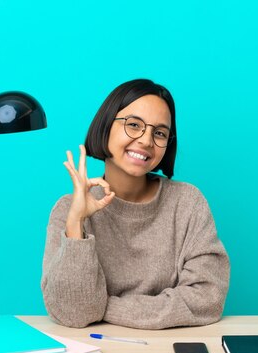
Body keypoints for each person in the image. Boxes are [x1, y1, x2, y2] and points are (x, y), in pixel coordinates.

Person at [41, 79, 230, 329]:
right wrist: (76, 225)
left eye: (159, 133)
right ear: (106, 126)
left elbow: (207, 299)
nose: (146, 141)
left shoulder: (187, 202)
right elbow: (73, 313)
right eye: (133, 125)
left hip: (170, 352)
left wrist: (101, 306)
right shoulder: (68, 210)